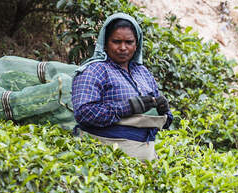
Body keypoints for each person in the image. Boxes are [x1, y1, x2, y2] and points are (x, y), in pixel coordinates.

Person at [72, 12, 173, 160]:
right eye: (116, 41)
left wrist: (164, 111)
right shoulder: (95, 70)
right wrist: (128, 107)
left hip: (146, 158)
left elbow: (163, 123)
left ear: (136, 44)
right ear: (105, 43)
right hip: (108, 158)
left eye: (129, 42)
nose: (123, 47)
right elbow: (84, 113)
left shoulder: (142, 73)